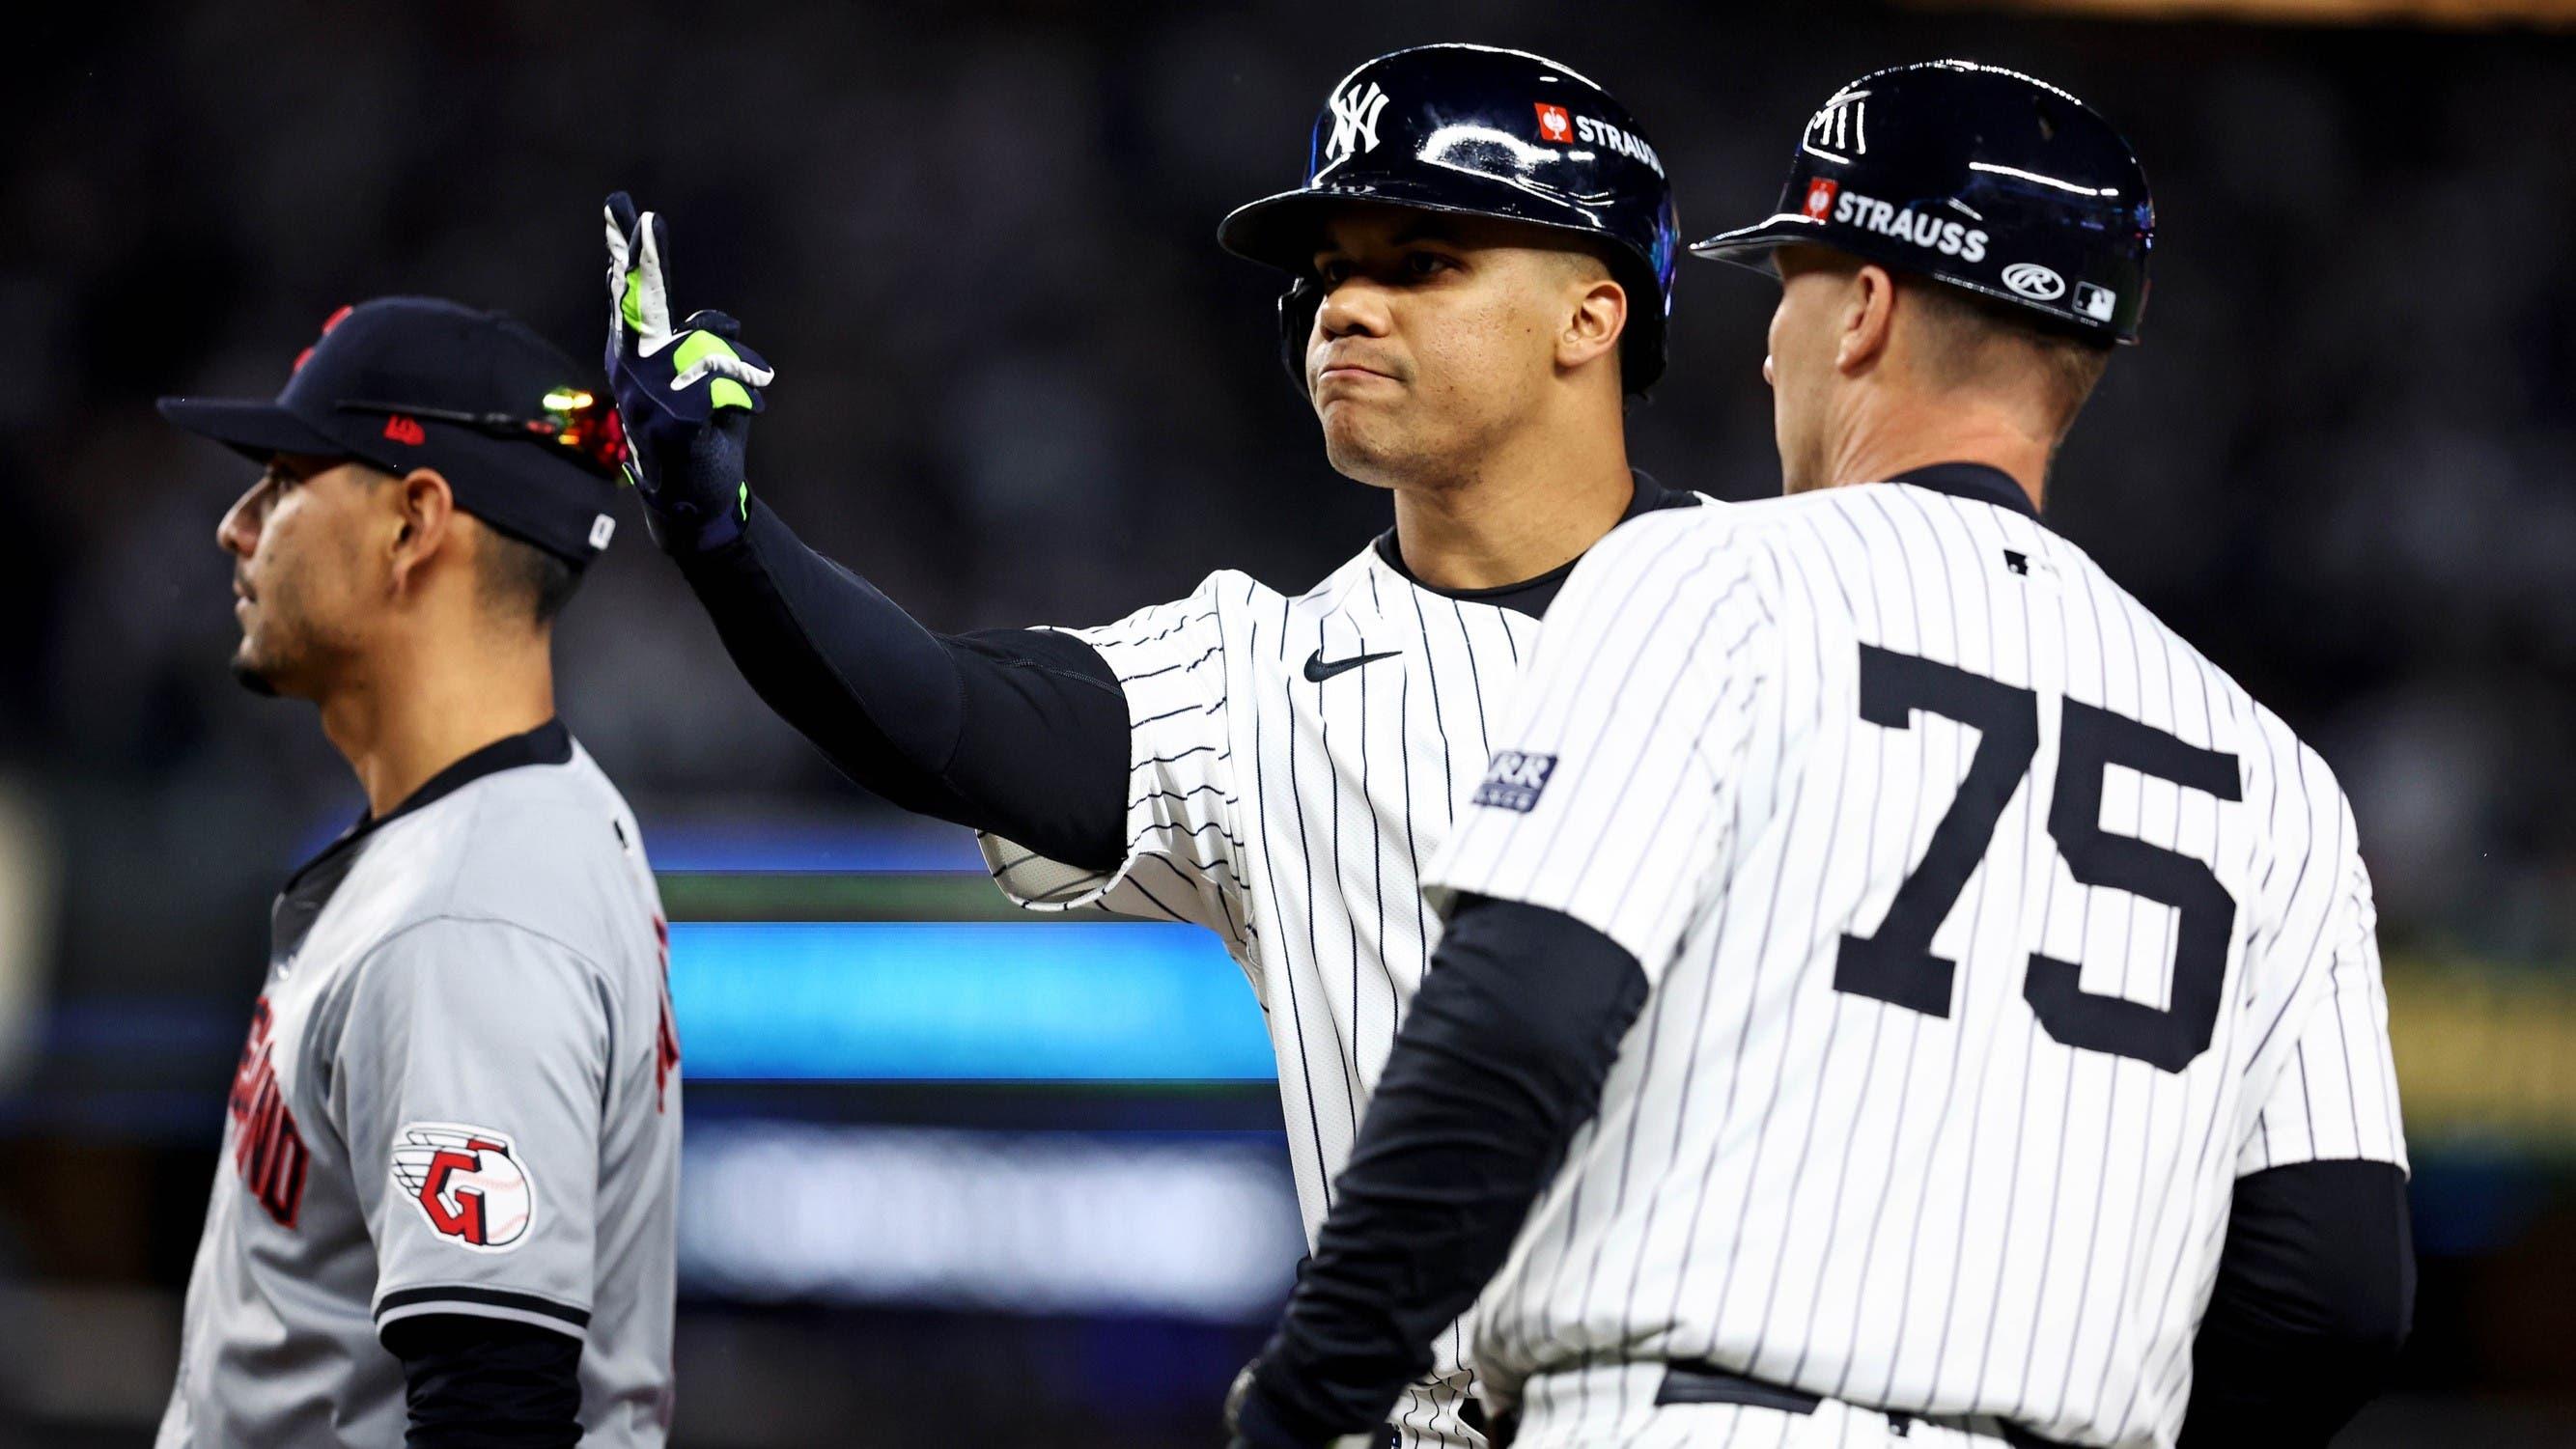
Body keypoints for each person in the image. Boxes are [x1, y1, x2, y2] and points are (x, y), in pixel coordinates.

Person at [1228, 61, 2411, 1449]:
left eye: (1789, 285)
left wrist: (1311, 1393)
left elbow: (1514, 1027)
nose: (1769, 342)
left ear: (1864, 309)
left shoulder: (1707, 580)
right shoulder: (2275, 777)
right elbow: (2337, 1289)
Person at [602, 42, 1687, 1448]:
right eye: (1325, 267)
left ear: (1592, 314)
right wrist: (726, 537)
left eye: (1420, 260)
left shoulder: (1800, 623)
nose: (1342, 304)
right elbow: (942, 712)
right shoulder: (1262, 677)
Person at [154, 297, 684, 1448]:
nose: (237, 528)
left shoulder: (468, 909)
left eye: (286, 478)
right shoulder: (518, 826)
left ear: (413, 523)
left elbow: (492, 1411)